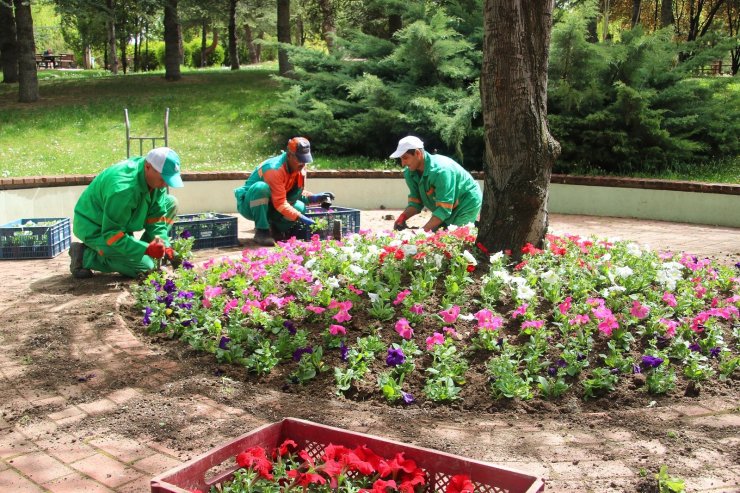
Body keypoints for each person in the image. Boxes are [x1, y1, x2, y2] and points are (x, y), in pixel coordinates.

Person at [69, 147, 184, 279]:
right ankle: (84, 256)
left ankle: (143, 252)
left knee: (171, 202)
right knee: (145, 268)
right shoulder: (122, 189)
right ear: (147, 166)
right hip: (96, 226)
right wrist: (145, 249)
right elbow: (112, 234)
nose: (165, 185)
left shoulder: (155, 179)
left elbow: (156, 219)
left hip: (120, 220)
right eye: (163, 179)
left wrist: (164, 245)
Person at [234, 137, 334, 246]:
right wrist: (300, 217)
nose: (303, 163)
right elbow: (280, 202)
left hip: (273, 204)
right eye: (300, 159)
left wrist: (315, 198)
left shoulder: (299, 168)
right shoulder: (274, 169)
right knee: (261, 188)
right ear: (289, 155)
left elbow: (293, 194)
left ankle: (274, 229)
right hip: (249, 205)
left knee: (299, 206)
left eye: (305, 159)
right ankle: (262, 231)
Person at [390, 136, 482, 232]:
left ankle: (473, 227)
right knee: (437, 236)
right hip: (446, 208)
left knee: (457, 237)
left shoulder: (441, 171)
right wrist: (403, 217)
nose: (403, 164)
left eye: (405, 158)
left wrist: (420, 232)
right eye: (401, 159)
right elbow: (416, 202)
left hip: (466, 202)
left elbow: (443, 209)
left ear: (417, 153)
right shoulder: (409, 173)